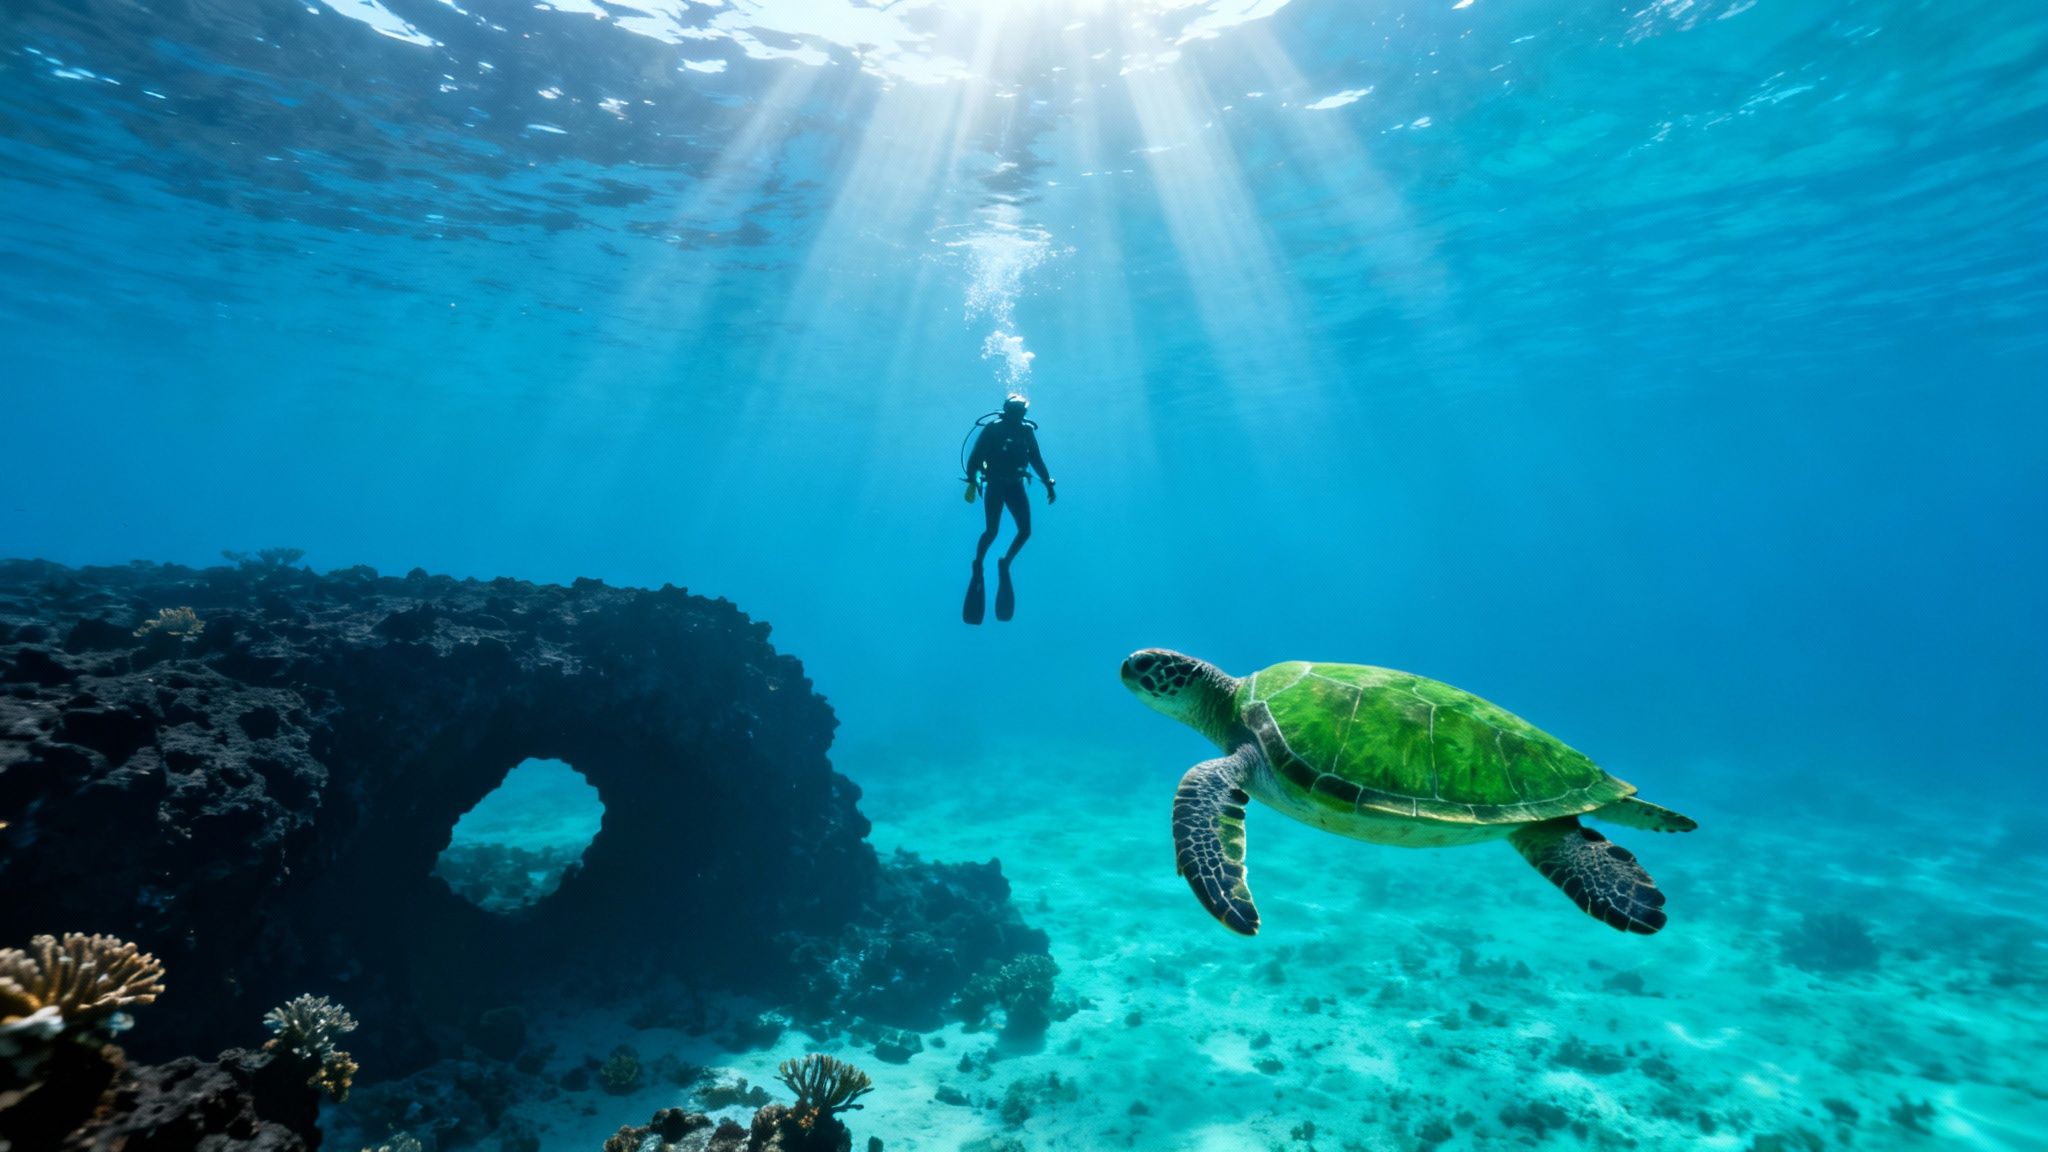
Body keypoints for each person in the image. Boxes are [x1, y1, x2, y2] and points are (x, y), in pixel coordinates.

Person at [963, 394, 1055, 624]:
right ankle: (979, 564)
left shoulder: (1026, 431)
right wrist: (972, 480)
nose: (1018, 414)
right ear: (1006, 409)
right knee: (992, 531)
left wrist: (1048, 482)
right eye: (1014, 410)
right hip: (995, 484)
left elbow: (1036, 459)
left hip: (1014, 485)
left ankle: (1005, 562)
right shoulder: (993, 429)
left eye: (1021, 410)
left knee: (1025, 531)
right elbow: (974, 457)